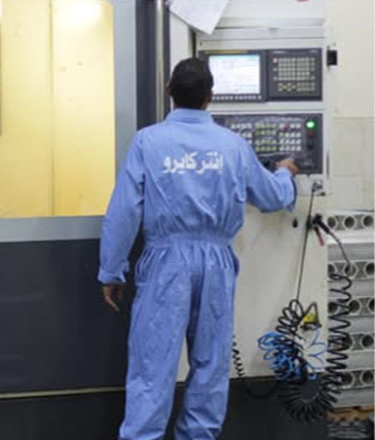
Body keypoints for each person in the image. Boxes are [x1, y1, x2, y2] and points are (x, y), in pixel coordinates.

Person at [98, 58, 298, 440]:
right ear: (210, 97)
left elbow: (124, 211)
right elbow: (271, 196)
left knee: (152, 366)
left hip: (164, 265)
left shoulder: (148, 142)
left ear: (169, 92)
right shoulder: (233, 146)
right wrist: (285, 174)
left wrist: (111, 270)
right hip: (217, 264)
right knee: (210, 365)